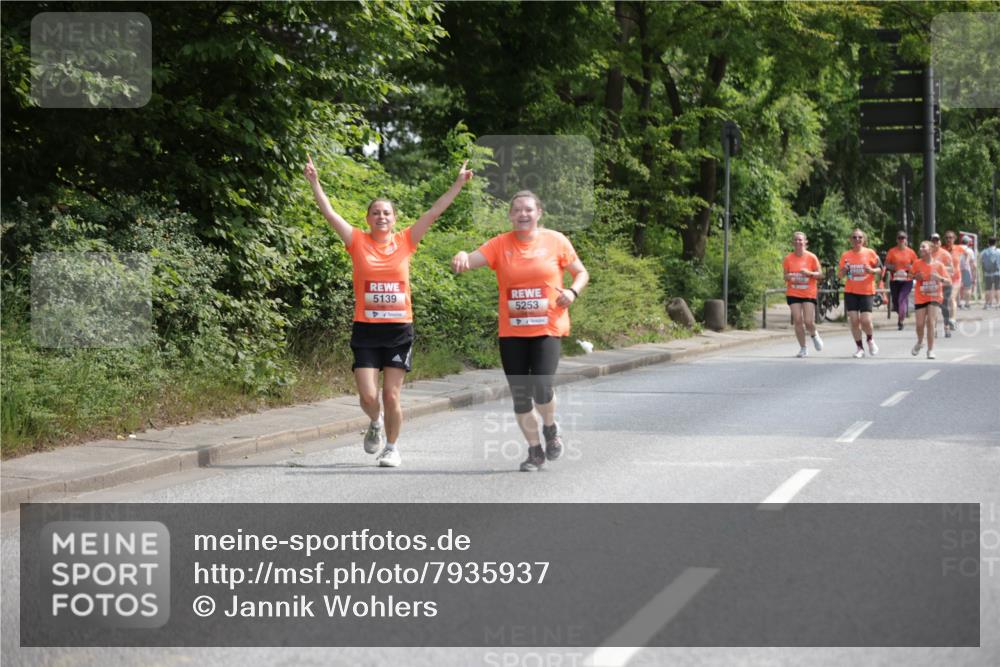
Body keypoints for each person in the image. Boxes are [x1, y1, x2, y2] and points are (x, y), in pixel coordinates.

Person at [304, 155, 473, 467]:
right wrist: (315, 182)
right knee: (369, 397)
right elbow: (329, 214)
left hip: (398, 330)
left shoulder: (406, 240)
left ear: (395, 219)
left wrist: (458, 184)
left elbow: (434, 212)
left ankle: (392, 448)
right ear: (368, 218)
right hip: (366, 330)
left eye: (387, 213)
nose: (381, 217)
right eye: (376, 213)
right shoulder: (356, 240)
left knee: (391, 395)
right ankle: (375, 422)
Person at [451, 191, 589, 472]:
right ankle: (534, 450)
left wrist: (572, 292)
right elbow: (472, 259)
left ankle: (550, 428)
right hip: (512, 331)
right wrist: (463, 256)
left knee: (541, 386)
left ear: (539, 212)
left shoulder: (556, 240)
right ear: (510, 215)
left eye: (528, 210)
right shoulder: (500, 244)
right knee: (520, 395)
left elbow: (581, 272)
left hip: (547, 327)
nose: (523, 215)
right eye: (517, 211)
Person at [838, 229, 882, 358]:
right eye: (854, 237)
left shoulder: (870, 253)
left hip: (866, 291)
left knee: (866, 320)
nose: (857, 240)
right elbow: (839, 275)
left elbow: (881, 269)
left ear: (864, 240)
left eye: (860, 237)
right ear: (850, 240)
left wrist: (872, 270)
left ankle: (870, 339)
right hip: (851, 291)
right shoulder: (846, 255)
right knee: (854, 321)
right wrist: (844, 270)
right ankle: (859, 348)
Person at [782, 231, 824, 357]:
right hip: (793, 292)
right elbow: (785, 276)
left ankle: (814, 334)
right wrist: (788, 276)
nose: (798, 242)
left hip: (808, 292)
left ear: (805, 242)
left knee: (808, 321)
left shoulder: (811, 257)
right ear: (792, 243)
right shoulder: (788, 258)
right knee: (798, 320)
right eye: (796, 240)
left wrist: (809, 273)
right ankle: (803, 347)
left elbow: (820, 275)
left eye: (800, 240)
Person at [911, 240, 951, 360]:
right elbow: (910, 276)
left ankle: (930, 349)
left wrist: (940, 278)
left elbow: (949, 281)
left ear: (930, 249)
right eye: (920, 247)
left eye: (923, 247)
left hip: (934, 296)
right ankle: (920, 342)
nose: (921, 249)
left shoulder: (939, 265)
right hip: (920, 296)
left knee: (930, 322)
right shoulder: (917, 264)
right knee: (919, 324)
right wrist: (915, 277)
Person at [884, 231, 918, 330]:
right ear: (896, 240)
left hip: (907, 280)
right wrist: (893, 267)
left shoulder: (911, 252)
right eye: (899, 238)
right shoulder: (892, 251)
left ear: (906, 240)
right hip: (895, 279)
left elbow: (917, 264)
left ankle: (901, 320)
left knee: (901, 298)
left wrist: (910, 267)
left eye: (903, 238)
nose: (901, 240)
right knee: (895, 302)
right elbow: (886, 264)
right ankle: (902, 313)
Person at [930, 233, 956, 337]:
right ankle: (934, 328)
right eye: (933, 241)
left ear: (940, 242)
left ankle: (946, 327)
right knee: (933, 306)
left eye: (937, 241)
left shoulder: (945, 254)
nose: (935, 243)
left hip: (945, 283)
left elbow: (952, 269)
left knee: (944, 306)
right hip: (933, 284)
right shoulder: (927, 254)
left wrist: (940, 268)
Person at [942, 230, 963, 328]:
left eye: (950, 237)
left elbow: (968, 256)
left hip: (956, 278)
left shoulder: (959, 248)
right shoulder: (942, 249)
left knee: (951, 298)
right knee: (944, 301)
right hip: (945, 279)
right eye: (946, 237)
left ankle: (953, 319)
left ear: (954, 239)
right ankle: (947, 319)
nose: (948, 239)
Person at [981, 236, 1000, 309]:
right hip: (997, 273)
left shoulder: (984, 251)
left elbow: (981, 260)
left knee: (988, 288)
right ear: (996, 242)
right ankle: (998, 303)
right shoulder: (999, 251)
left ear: (988, 243)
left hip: (987, 273)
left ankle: (987, 304)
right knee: (997, 288)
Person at [958, 235, 976, 309]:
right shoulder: (969, 250)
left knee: (958, 287)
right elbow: (973, 264)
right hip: (966, 270)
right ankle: (967, 304)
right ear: (968, 242)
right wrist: (974, 273)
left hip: (957, 270)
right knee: (967, 287)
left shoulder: (956, 248)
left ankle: (958, 303)